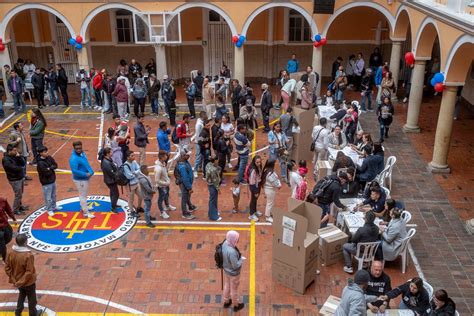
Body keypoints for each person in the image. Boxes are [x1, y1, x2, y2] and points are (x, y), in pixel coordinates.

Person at [4, 234, 38, 316]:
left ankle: (18, 312)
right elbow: (29, 271)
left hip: (17, 280)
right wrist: (21, 282)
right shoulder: (28, 255)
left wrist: (14, 280)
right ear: (26, 242)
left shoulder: (10, 252)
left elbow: (7, 267)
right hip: (28, 282)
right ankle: (33, 314)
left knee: (22, 295)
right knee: (32, 300)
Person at [69, 141, 95, 218]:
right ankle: (86, 212)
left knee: (84, 194)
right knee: (83, 195)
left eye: (80, 148)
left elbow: (85, 164)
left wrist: (89, 172)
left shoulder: (82, 153)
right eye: (77, 149)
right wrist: (85, 174)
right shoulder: (73, 158)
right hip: (80, 179)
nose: (79, 150)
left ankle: (84, 207)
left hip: (84, 178)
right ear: (74, 148)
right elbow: (74, 171)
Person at [222, 230, 245, 312]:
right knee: (234, 289)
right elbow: (235, 265)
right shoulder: (231, 252)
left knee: (227, 285)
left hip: (226, 270)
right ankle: (236, 305)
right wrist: (241, 260)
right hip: (234, 274)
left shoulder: (224, 243)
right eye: (236, 239)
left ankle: (226, 301)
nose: (237, 240)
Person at [2, 144, 27, 216]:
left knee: (20, 193)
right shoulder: (6, 160)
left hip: (19, 177)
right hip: (14, 179)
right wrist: (21, 168)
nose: (16, 152)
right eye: (15, 150)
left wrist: (19, 157)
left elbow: (23, 163)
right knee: (18, 195)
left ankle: (19, 206)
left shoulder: (15, 156)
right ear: (10, 151)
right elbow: (14, 168)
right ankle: (15, 210)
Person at [36, 146, 60, 217]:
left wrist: (50, 168)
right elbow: (46, 173)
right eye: (45, 152)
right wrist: (51, 168)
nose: (47, 153)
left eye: (46, 151)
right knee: (48, 197)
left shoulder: (49, 158)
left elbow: (55, 165)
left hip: (52, 180)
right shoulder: (40, 163)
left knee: (53, 195)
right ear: (40, 153)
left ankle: (54, 206)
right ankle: (49, 209)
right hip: (46, 182)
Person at [176, 148, 197, 220]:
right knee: (184, 197)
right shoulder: (182, 166)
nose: (189, 156)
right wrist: (189, 188)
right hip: (185, 184)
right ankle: (184, 213)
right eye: (187, 155)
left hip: (186, 183)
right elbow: (185, 178)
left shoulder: (184, 161)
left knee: (187, 195)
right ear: (183, 156)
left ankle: (190, 206)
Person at [154, 150, 176, 219]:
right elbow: (156, 180)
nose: (167, 157)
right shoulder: (158, 168)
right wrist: (166, 183)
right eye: (165, 156)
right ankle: (162, 212)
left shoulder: (163, 163)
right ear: (162, 157)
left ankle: (167, 206)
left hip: (166, 185)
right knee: (161, 199)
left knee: (166, 195)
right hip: (161, 186)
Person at [123, 150, 142, 218]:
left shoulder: (134, 162)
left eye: (134, 155)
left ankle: (139, 207)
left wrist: (134, 173)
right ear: (128, 157)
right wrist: (136, 173)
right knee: (131, 199)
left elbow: (139, 169)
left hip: (136, 183)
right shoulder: (125, 166)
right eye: (132, 156)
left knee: (141, 196)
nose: (134, 157)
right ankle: (132, 211)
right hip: (130, 185)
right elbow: (129, 176)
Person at [100, 147, 119, 214]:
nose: (112, 153)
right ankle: (113, 208)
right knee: (116, 194)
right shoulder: (106, 163)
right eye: (111, 152)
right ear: (107, 154)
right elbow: (111, 173)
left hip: (110, 180)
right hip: (110, 181)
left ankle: (113, 204)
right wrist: (117, 176)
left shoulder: (107, 159)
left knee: (112, 192)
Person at [205, 156, 222, 221]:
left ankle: (212, 213)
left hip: (209, 184)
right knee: (213, 200)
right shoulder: (213, 170)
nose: (218, 161)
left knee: (212, 200)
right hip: (213, 186)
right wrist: (218, 189)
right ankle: (213, 216)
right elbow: (215, 181)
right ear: (214, 161)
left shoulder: (208, 164)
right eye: (217, 160)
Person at [248, 155, 263, 221]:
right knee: (253, 200)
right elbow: (252, 183)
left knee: (255, 199)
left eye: (260, 162)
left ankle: (255, 211)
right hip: (254, 186)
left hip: (258, 185)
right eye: (257, 162)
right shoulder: (253, 170)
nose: (259, 163)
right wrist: (256, 191)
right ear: (254, 162)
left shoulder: (259, 167)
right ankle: (251, 214)